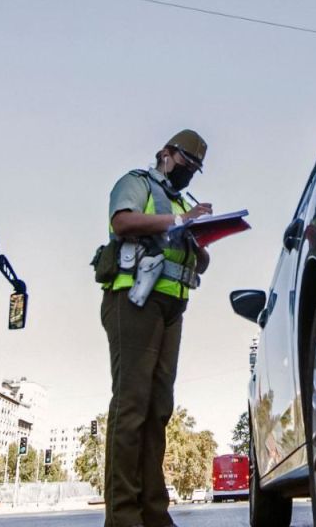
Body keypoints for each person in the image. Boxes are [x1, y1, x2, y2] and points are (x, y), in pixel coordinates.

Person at [101, 129, 213, 527]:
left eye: (196, 169)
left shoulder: (185, 201)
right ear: (166, 154)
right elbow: (122, 222)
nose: (189, 173)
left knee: (158, 410)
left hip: (171, 309)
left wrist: (199, 236)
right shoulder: (137, 182)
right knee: (132, 406)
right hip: (134, 301)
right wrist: (180, 220)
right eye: (186, 163)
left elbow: (201, 264)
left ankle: (153, 514)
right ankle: (124, 518)